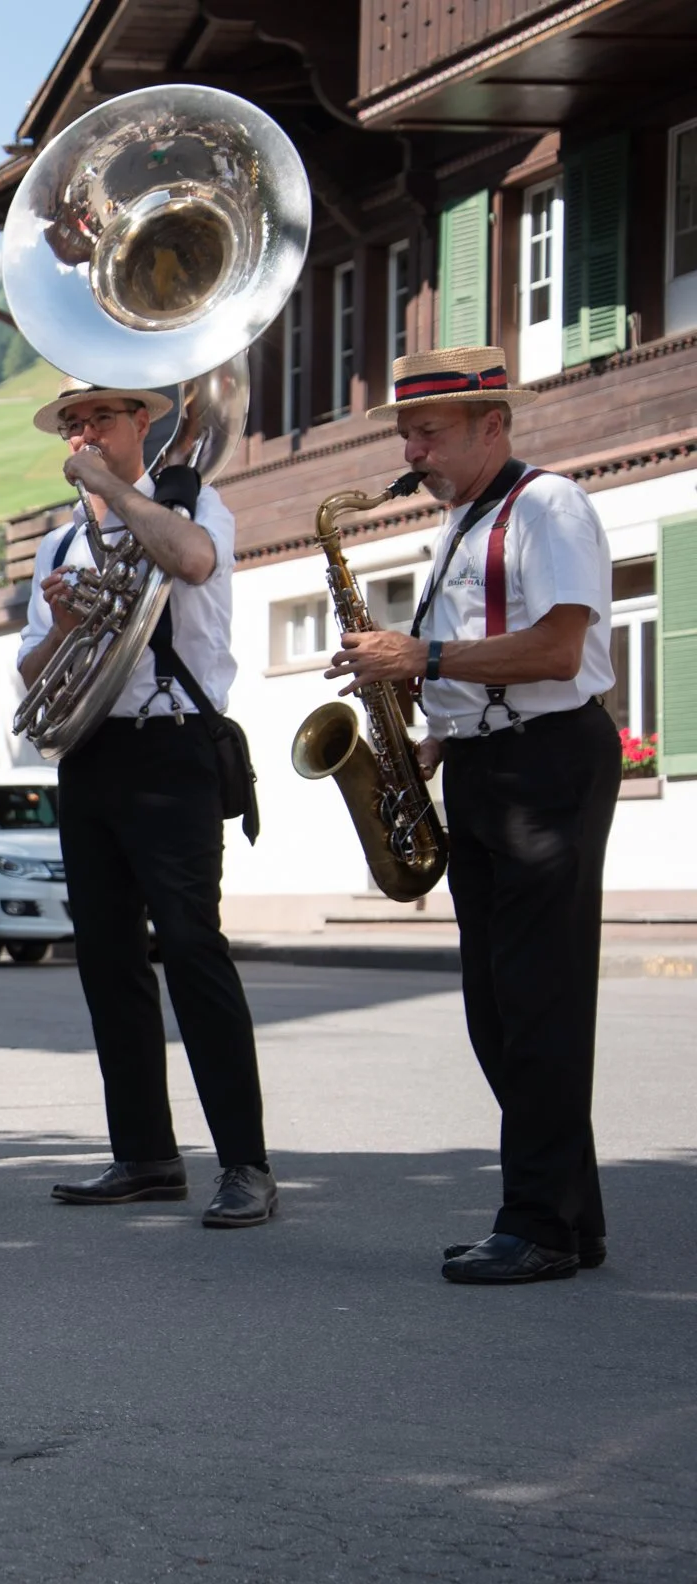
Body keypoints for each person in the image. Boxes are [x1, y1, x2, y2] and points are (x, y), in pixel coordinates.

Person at [329, 347, 617, 1285]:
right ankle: (569, 1216)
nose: (413, 450)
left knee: (538, 1000)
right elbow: (480, 658)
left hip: (549, 766)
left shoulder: (549, 505)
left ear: (493, 425)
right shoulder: (458, 522)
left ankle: (535, 1223)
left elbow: (559, 649)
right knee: (499, 1009)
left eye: (430, 432)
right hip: (488, 763)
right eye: (406, 432)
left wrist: (424, 659)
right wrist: (436, 742)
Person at [16, 377, 273, 1228]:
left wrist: (115, 493)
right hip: (92, 754)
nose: (84, 432)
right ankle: (145, 1155)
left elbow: (192, 563)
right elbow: (28, 673)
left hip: (172, 747)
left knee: (194, 950)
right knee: (108, 961)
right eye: (73, 422)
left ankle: (245, 1164)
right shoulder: (58, 550)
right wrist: (60, 627)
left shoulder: (192, 502)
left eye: (100, 417)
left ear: (141, 424)